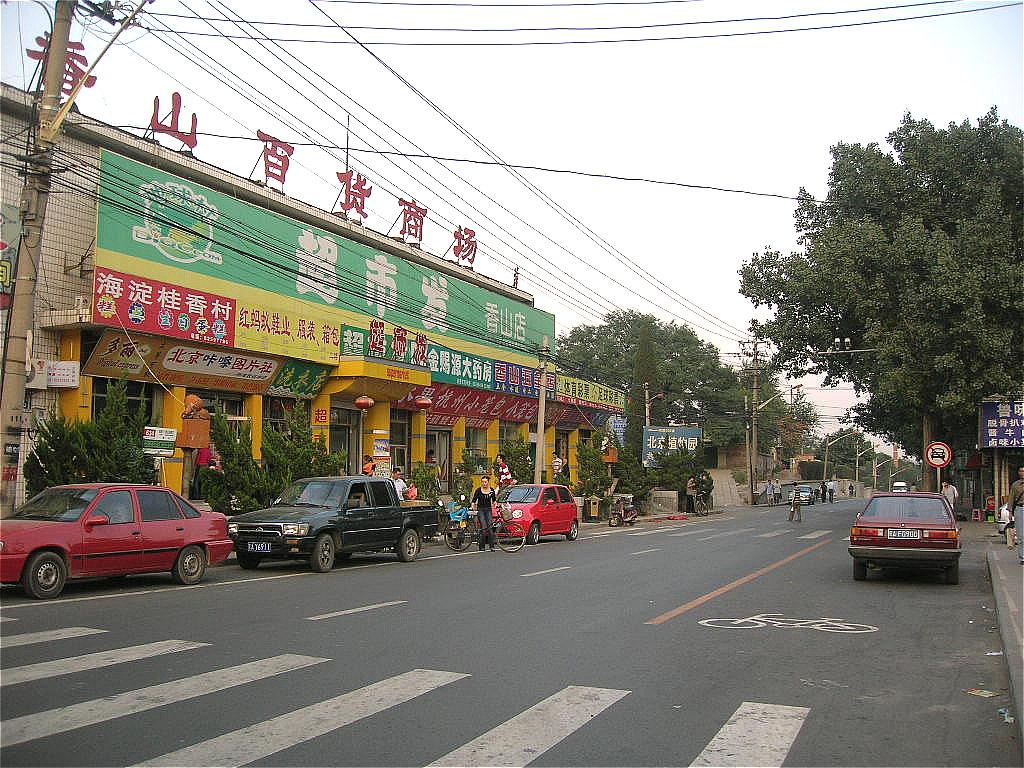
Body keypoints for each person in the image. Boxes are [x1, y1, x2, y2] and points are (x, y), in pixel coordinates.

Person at [471, 475, 497, 551]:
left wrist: (496, 505)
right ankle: (482, 546)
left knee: (490, 527)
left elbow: (494, 500)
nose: (484, 483)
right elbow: (474, 500)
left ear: (488, 482)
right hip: (481, 510)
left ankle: (492, 546)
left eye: (485, 482)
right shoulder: (478, 490)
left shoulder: (491, 490)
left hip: (488, 509)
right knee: (484, 527)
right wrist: (472, 506)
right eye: (482, 482)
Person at [1008, 466, 1024, 565]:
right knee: (1021, 535)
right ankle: (1023, 557)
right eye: (1021, 471)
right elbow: (1011, 498)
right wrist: (1010, 512)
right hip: (1020, 509)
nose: (1022, 473)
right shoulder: (1015, 485)